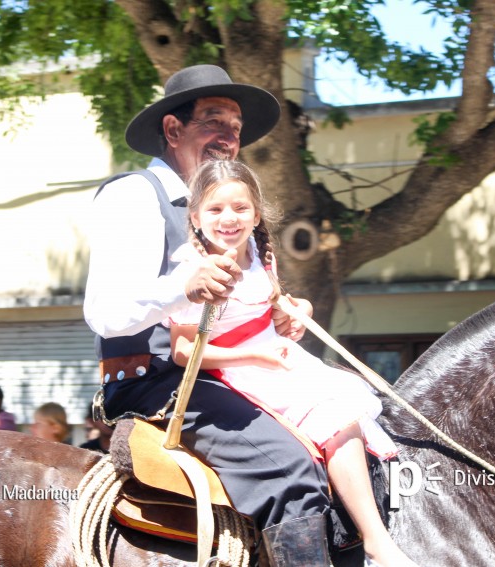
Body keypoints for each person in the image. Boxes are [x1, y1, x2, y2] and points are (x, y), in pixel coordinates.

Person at [83, 64, 334, 564]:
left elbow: (253, 303)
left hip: (228, 374)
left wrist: (286, 314)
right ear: (173, 131)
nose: (228, 138)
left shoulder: (226, 206)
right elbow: (105, 314)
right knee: (290, 471)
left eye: (236, 129)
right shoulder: (135, 196)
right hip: (158, 380)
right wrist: (183, 287)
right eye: (213, 122)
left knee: (348, 432)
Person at [167, 159, 417, 567]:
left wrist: (297, 308)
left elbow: (270, 303)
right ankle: (375, 541)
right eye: (215, 210)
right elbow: (183, 352)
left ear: (257, 213)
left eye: (240, 208)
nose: (229, 218)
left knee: (349, 407)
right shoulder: (194, 268)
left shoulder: (257, 250)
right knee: (333, 417)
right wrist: (254, 355)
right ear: (195, 216)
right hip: (238, 369)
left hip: (280, 358)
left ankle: (372, 528)